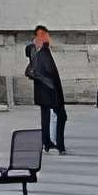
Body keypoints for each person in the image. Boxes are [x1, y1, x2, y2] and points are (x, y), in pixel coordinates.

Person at [26, 26, 66, 154]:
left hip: (46, 92)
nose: (46, 37)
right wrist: (46, 81)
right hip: (50, 92)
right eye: (42, 35)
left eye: (46, 34)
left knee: (47, 116)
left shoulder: (42, 52)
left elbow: (32, 71)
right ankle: (54, 144)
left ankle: (48, 143)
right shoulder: (42, 53)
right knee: (59, 116)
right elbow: (40, 72)